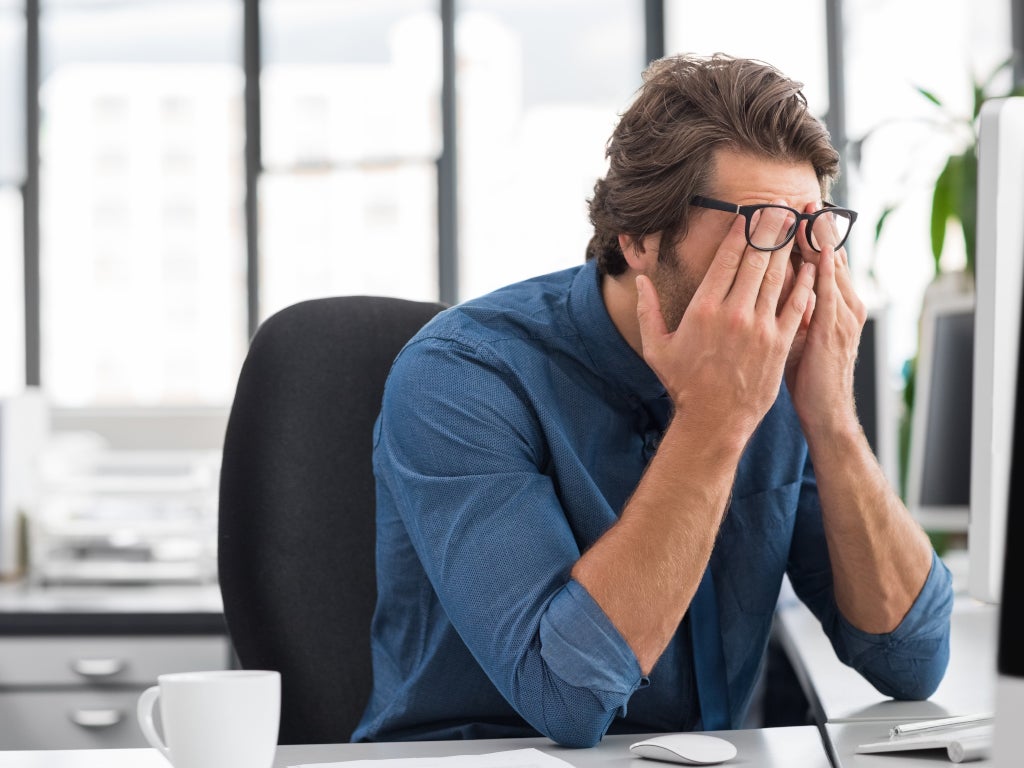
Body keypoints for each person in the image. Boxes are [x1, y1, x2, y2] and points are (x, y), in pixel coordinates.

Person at [351, 52, 953, 748]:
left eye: (811, 232)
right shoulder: (461, 377)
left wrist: (831, 419)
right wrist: (714, 421)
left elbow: (912, 660)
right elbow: (566, 699)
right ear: (639, 237)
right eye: (762, 228)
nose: (792, 272)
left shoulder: (785, 372)